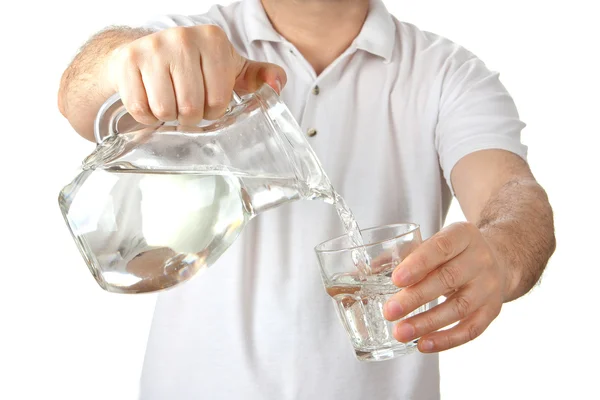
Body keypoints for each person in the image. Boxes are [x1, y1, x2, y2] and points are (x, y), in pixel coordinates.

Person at [57, 0, 556, 398]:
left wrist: (499, 252)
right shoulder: (194, 41)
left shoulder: (447, 74)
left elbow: (514, 197)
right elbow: (80, 92)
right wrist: (130, 59)